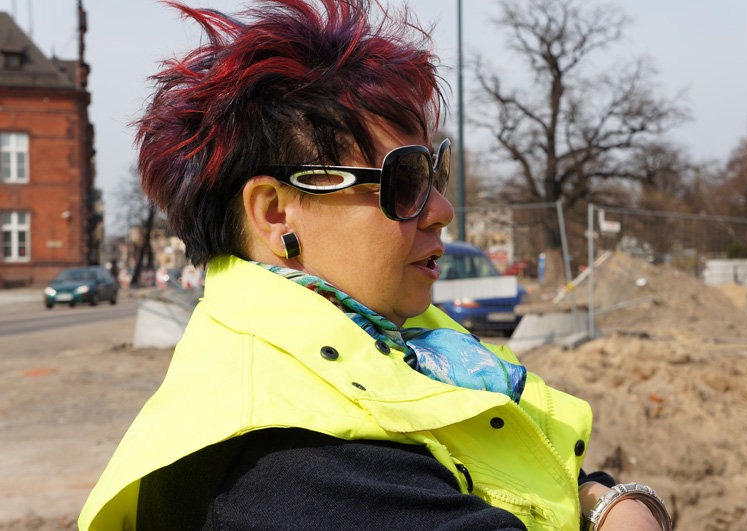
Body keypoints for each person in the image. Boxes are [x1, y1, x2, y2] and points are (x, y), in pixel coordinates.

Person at [78, 1, 670, 529]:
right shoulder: (286, 459)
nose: (442, 209)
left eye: (434, 172)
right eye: (404, 180)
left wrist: (604, 499)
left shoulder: (405, 342)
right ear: (276, 214)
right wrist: (613, 507)